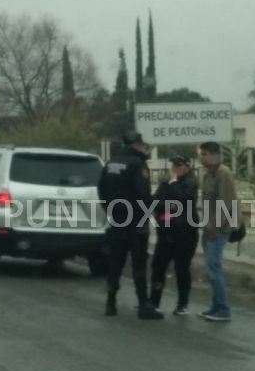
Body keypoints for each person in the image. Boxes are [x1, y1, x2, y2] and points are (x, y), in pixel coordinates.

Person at [97, 131, 163, 320]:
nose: (144, 147)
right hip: (136, 222)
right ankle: (143, 305)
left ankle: (111, 302)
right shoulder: (137, 164)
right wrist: (155, 207)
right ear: (137, 144)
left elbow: (101, 189)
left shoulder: (110, 163)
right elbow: (143, 194)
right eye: (142, 144)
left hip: (117, 221)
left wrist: (110, 209)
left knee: (115, 263)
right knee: (139, 264)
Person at [150, 155, 199, 315]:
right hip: (165, 232)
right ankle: (154, 302)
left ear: (187, 167)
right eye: (174, 165)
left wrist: (173, 183)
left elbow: (184, 201)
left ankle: (182, 304)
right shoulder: (165, 183)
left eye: (179, 165)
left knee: (181, 269)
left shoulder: (190, 183)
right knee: (158, 267)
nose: (175, 168)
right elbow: (155, 201)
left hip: (184, 234)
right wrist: (170, 205)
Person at [198, 141, 239, 322]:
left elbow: (226, 202)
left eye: (205, 153)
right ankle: (215, 307)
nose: (202, 157)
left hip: (220, 228)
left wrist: (214, 226)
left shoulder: (223, 173)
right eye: (202, 154)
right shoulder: (208, 175)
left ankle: (223, 309)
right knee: (211, 268)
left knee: (213, 268)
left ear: (215, 155)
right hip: (209, 228)